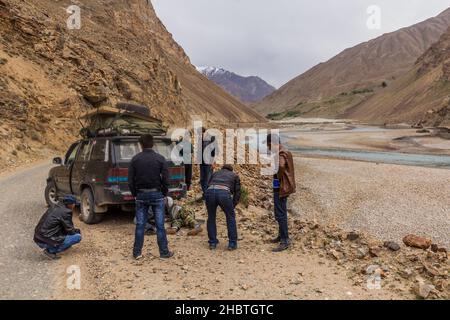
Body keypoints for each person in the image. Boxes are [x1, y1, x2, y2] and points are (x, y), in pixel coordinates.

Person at [128, 134, 174, 260]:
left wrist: (135, 194)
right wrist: (164, 192)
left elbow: (130, 180)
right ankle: (164, 253)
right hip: (157, 194)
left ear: (140, 144)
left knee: (140, 225)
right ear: (152, 144)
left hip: (141, 194)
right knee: (160, 225)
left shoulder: (135, 159)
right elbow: (166, 178)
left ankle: (137, 253)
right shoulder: (160, 158)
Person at [267, 133, 296, 252]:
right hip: (283, 186)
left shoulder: (280, 153)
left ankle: (285, 240)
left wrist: (277, 178)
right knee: (281, 211)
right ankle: (281, 236)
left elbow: (280, 166)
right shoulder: (284, 151)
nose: (268, 148)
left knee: (280, 213)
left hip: (281, 187)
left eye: (269, 145)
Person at [33, 195, 82, 260]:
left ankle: (52, 247)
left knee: (67, 233)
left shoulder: (55, 206)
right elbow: (70, 230)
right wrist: (78, 231)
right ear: (69, 204)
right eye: (74, 204)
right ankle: (51, 251)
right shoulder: (66, 212)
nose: (74, 206)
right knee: (77, 237)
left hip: (38, 237)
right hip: (45, 239)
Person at [205, 164, 241, 250]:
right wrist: (233, 205)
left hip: (210, 192)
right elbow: (238, 192)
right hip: (224, 193)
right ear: (231, 170)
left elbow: (207, 184)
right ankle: (232, 244)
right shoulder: (234, 175)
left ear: (222, 169)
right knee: (230, 218)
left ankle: (212, 243)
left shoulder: (215, 173)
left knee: (211, 217)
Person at [200, 127, 215, 197]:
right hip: (202, 163)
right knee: (202, 179)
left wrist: (213, 162)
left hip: (208, 162)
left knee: (208, 178)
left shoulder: (211, 138)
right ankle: (205, 193)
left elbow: (213, 151)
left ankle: (209, 194)